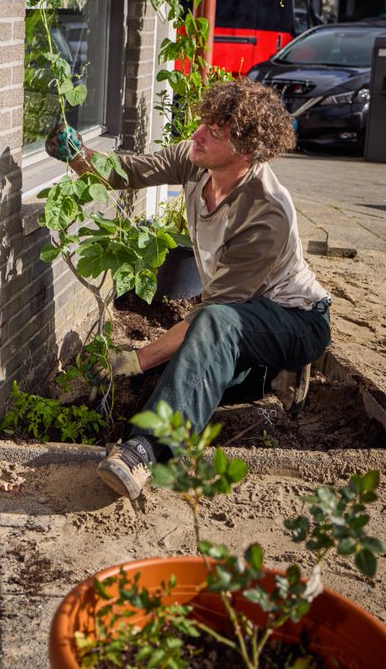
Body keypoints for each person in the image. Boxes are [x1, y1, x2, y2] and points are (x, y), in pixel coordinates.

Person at [46, 78, 331, 500]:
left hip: (296, 321)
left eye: (213, 132)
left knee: (206, 329)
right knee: (167, 378)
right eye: (203, 124)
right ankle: (265, 377)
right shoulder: (196, 159)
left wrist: (135, 359)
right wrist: (77, 155)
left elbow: (213, 314)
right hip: (243, 316)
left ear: (245, 150)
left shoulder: (266, 212)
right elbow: (129, 171)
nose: (197, 135)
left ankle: (145, 452)